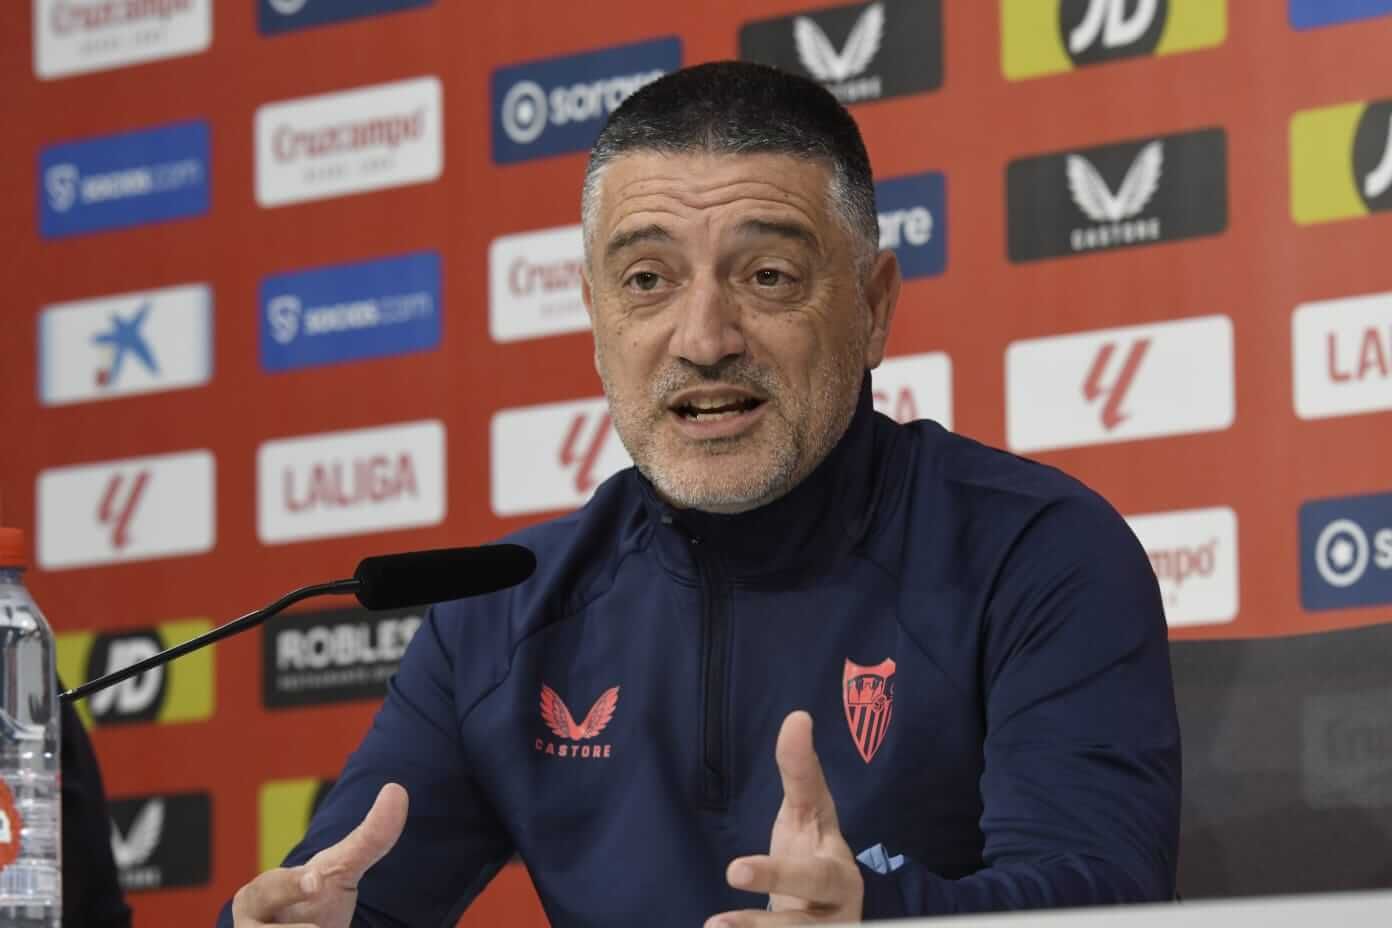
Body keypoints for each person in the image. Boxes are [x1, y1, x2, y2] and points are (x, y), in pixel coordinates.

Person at [224, 61, 1180, 927]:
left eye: (768, 276)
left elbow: (1101, 899)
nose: (705, 337)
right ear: (595, 316)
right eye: (647, 280)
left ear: (876, 307)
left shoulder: (1038, 551)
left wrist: (876, 918)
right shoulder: (502, 611)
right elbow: (337, 897)